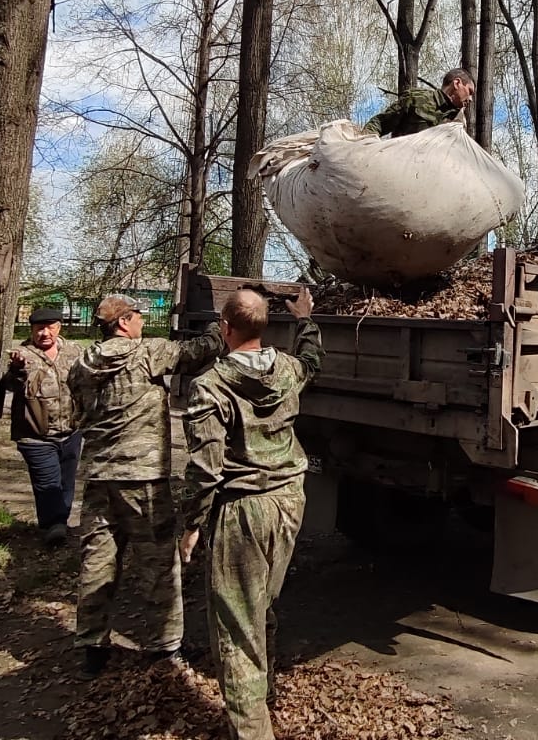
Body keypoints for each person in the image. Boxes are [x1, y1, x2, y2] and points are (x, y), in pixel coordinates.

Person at [179, 286, 323, 740]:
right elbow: (313, 362)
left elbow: (205, 468)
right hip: (288, 503)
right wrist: (306, 319)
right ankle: (265, 695)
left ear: (225, 328)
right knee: (262, 604)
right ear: (264, 327)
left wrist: (191, 524)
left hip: (242, 510)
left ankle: (252, 730)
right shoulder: (287, 370)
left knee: (237, 626)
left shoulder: (210, 387)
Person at [68, 293, 226, 678]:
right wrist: (216, 325)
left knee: (97, 563)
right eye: (137, 314)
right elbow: (201, 350)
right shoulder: (147, 353)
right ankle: (164, 648)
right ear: (123, 323)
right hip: (143, 480)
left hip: (99, 479)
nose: (142, 319)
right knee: (158, 565)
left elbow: (76, 409)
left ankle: (91, 646)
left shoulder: (82, 364)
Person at [0, 306, 83, 546]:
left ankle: (61, 523)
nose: (45, 333)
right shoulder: (21, 355)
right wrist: (16, 370)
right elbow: (10, 386)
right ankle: (53, 526)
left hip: (71, 431)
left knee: (67, 481)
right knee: (47, 483)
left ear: (59, 328)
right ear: (32, 330)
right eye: (39, 329)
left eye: (50, 328)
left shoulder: (75, 352)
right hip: (35, 436)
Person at [363, 67, 475, 138]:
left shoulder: (458, 122)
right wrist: (365, 145)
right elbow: (380, 123)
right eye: (469, 91)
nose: (470, 99)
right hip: (401, 169)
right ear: (456, 83)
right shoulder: (417, 99)